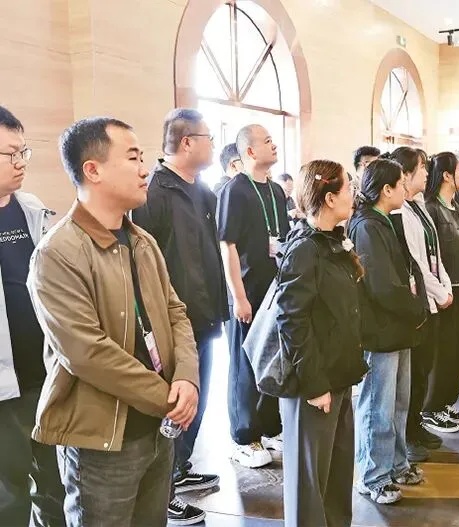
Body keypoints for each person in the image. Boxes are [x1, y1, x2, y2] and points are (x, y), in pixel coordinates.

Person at [28, 116, 200, 527]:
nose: (144, 170)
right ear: (93, 170)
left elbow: (175, 311)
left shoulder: (142, 241)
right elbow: (86, 353)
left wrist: (187, 377)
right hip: (103, 441)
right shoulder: (58, 253)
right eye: (133, 157)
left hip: (158, 428)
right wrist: (168, 398)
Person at [132, 108, 228, 525]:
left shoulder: (202, 191)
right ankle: (165, 489)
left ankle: (180, 468)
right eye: (208, 137)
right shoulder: (156, 192)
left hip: (203, 314)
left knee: (197, 401)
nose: (213, 145)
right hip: (174, 320)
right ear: (187, 142)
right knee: (175, 404)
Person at [263, 160, 368, 527]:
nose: (354, 195)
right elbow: (292, 321)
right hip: (314, 383)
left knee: (337, 478)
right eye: (348, 189)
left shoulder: (333, 240)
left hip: (338, 375)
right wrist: (314, 384)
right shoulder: (305, 248)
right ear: (329, 198)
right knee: (308, 486)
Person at [348, 158, 428, 505]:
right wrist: (415, 308)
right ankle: (374, 476)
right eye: (401, 182)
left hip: (398, 326)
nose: (407, 187)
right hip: (380, 329)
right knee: (377, 406)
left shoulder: (385, 220)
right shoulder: (367, 226)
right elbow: (381, 286)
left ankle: (396, 464)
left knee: (398, 403)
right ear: (386, 190)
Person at [0, 106, 65, 527]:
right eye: (10, 153)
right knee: (9, 496)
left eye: (24, 151)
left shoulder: (30, 208)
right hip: (3, 390)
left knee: (57, 486)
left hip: (44, 375)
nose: (21, 162)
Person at [217, 124, 290, 467]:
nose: (274, 145)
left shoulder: (275, 190)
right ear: (249, 151)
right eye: (267, 141)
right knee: (244, 363)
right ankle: (244, 437)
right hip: (247, 289)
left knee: (272, 357)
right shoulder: (235, 190)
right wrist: (239, 296)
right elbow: (227, 245)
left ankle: (270, 427)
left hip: (274, 289)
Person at [392, 147, 453, 462]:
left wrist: (445, 286)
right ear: (405, 174)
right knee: (414, 374)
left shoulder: (419, 206)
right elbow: (415, 263)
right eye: (422, 168)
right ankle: (408, 433)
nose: (427, 173)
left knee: (425, 368)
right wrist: (440, 294)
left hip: (434, 297)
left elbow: (434, 254)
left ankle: (416, 425)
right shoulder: (400, 212)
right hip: (421, 301)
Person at [422, 152, 459, 433]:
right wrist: (441, 290)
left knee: (458, 350)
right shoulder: (432, 209)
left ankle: (446, 403)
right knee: (443, 352)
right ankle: (431, 407)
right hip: (445, 292)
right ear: (446, 175)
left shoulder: (455, 207)